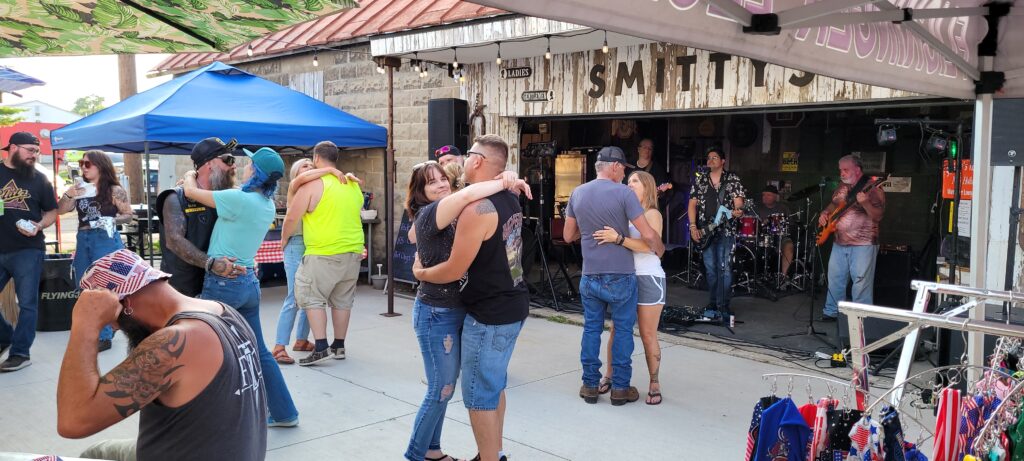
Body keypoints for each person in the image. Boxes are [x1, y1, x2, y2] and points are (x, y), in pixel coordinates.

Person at [58, 249, 267, 461]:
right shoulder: (224, 311)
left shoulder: (174, 343)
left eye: (112, 320)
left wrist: (85, 326)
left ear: (126, 303)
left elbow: (73, 421)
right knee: (97, 452)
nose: (114, 328)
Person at [413, 134, 530, 461]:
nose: (462, 161)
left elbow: (453, 269)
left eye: (468, 155)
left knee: (480, 396)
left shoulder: (477, 209)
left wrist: (421, 274)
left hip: (490, 314)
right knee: (494, 386)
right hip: (513, 304)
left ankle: (489, 457)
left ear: (477, 161)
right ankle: (494, 452)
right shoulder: (509, 197)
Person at [181, 146, 300, 427]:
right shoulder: (266, 205)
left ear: (255, 172)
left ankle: (204, 418)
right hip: (247, 284)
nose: (244, 166)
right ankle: (284, 413)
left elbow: (190, 192)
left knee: (204, 348)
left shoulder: (237, 200)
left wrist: (189, 175)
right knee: (259, 351)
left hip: (223, 283)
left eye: (249, 164)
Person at [561, 146, 665, 407]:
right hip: (621, 274)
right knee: (622, 332)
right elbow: (647, 234)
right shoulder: (623, 193)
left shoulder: (577, 192)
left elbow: (567, 236)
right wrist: (659, 247)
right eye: (623, 170)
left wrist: (589, 230)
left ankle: (589, 385)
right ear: (615, 167)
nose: (624, 176)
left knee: (591, 329)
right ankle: (620, 388)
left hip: (590, 274)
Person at [281, 141, 364, 367]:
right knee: (342, 301)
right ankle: (339, 346)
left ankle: (320, 347)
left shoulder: (312, 185)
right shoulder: (351, 184)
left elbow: (292, 217)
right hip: (353, 251)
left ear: (316, 158)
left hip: (323, 252)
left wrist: (284, 239)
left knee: (311, 297)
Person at [592, 171, 666, 405]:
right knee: (616, 330)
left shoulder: (652, 213)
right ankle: (610, 375)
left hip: (648, 278)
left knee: (647, 334)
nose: (629, 183)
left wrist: (619, 239)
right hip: (625, 277)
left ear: (647, 187)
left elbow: (650, 246)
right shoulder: (625, 212)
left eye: (635, 181)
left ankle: (654, 383)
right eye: (628, 180)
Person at [57, 150, 134, 352]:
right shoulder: (80, 188)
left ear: (100, 165)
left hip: (105, 238)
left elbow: (128, 214)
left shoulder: (113, 189)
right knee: (84, 283)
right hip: (84, 237)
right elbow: (61, 210)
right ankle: (101, 328)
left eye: (87, 164)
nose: (83, 167)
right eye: (81, 163)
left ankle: (104, 335)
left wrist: (110, 219)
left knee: (103, 286)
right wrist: (69, 194)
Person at [0, 132, 57, 372]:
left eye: (37, 151)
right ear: (13, 148)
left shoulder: (39, 179)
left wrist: (39, 225)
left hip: (28, 250)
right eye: (30, 150)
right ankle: (4, 337)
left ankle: (21, 353)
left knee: (27, 304)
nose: (34, 155)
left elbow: (52, 212)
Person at [156, 137, 241, 298]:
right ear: (209, 164)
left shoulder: (224, 197)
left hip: (217, 285)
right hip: (182, 291)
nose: (234, 165)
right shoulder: (175, 197)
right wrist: (211, 264)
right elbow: (174, 240)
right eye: (228, 160)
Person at [818, 154, 885, 322]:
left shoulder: (873, 188)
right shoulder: (842, 186)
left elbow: (878, 216)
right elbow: (834, 204)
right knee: (835, 279)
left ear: (857, 169)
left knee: (861, 283)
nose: (842, 173)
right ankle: (832, 311)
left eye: (845, 170)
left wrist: (865, 203)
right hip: (839, 241)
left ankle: (860, 316)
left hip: (863, 243)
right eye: (840, 170)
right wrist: (825, 212)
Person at [687, 146, 745, 321]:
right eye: (709, 157)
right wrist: (693, 227)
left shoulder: (732, 179)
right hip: (705, 230)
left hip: (725, 230)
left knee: (724, 268)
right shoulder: (700, 180)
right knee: (711, 270)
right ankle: (713, 303)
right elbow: (692, 205)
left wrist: (738, 211)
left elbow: (739, 204)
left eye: (714, 157)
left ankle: (723, 305)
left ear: (723, 161)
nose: (710, 160)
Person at [753, 184, 795, 278]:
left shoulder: (783, 208)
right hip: (762, 238)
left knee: (789, 246)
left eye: (768, 195)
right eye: (764, 195)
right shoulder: (756, 208)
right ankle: (755, 276)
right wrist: (762, 224)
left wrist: (782, 226)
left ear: (775, 196)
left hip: (780, 237)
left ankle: (783, 277)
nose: (765, 197)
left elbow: (791, 225)